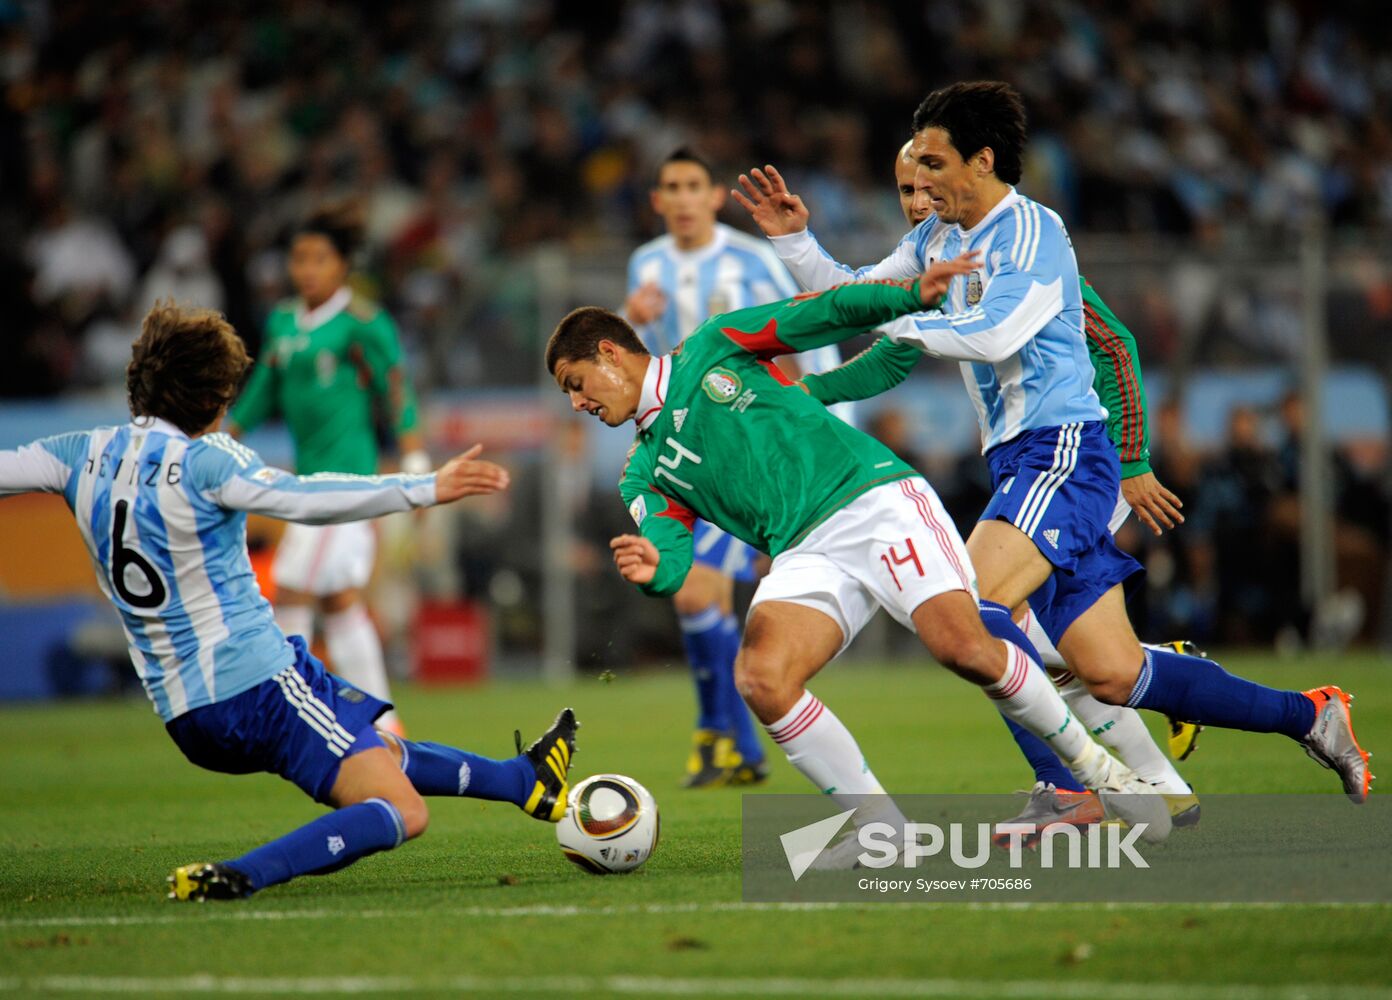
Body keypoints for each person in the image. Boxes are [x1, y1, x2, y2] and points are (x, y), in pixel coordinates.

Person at [730, 81, 1370, 804]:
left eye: (934, 166)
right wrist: (794, 241)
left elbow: (995, 333)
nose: (921, 185)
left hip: (1062, 452)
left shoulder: (1032, 232)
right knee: (1115, 672)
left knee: (969, 611)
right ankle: (1313, 717)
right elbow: (851, 296)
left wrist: (900, 316)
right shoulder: (936, 238)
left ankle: (1067, 792)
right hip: (1022, 461)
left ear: (982, 160)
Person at [549, 261, 1175, 869]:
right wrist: (654, 569)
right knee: (763, 677)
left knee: (965, 647)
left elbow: (821, 314)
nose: (576, 403)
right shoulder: (641, 470)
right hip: (804, 549)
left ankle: (1106, 774)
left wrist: (908, 296)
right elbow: (672, 557)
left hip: (874, 501)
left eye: (575, 383)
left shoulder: (709, 347)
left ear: (610, 353)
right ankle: (884, 830)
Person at [0, 303, 578, 900]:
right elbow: (305, 498)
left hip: (185, 714)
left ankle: (522, 781)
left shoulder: (78, 454)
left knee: (372, 748)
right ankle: (238, 876)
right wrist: (424, 487)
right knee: (402, 810)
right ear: (215, 398)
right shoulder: (208, 462)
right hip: (255, 687)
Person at [779, 140, 1206, 843]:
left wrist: (1134, 460)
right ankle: (1158, 763)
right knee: (1033, 637)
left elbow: (1117, 342)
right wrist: (808, 393)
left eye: (926, 184)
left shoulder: (1022, 253)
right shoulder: (937, 250)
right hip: (1030, 459)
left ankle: (1092, 769)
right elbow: (890, 356)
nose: (916, 201)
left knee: (988, 621)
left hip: (1080, 453)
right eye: (903, 190)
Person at [622, 148, 847, 788]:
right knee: (699, 596)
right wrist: (632, 318)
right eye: (672, 187)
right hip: (690, 450)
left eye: (695, 185)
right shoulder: (646, 264)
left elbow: (810, 326)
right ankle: (732, 743)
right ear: (657, 201)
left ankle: (727, 738)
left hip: (753, 443)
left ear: (715, 195)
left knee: (698, 594)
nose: (684, 197)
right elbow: (639, 361)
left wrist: (823, 416)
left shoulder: (750, 260)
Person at [226, 203, 422, 736]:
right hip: (303, 485)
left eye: (318, 259)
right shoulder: (284, 321)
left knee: (290, 591)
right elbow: (264, 387)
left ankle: (290, 711)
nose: (306, 269)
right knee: (338, 601)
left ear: (342, 266)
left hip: (348, 485)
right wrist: (224, 438)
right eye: (298, 259)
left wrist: (414, 454)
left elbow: (395, 386)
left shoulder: (363, 322)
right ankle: (386, 721)